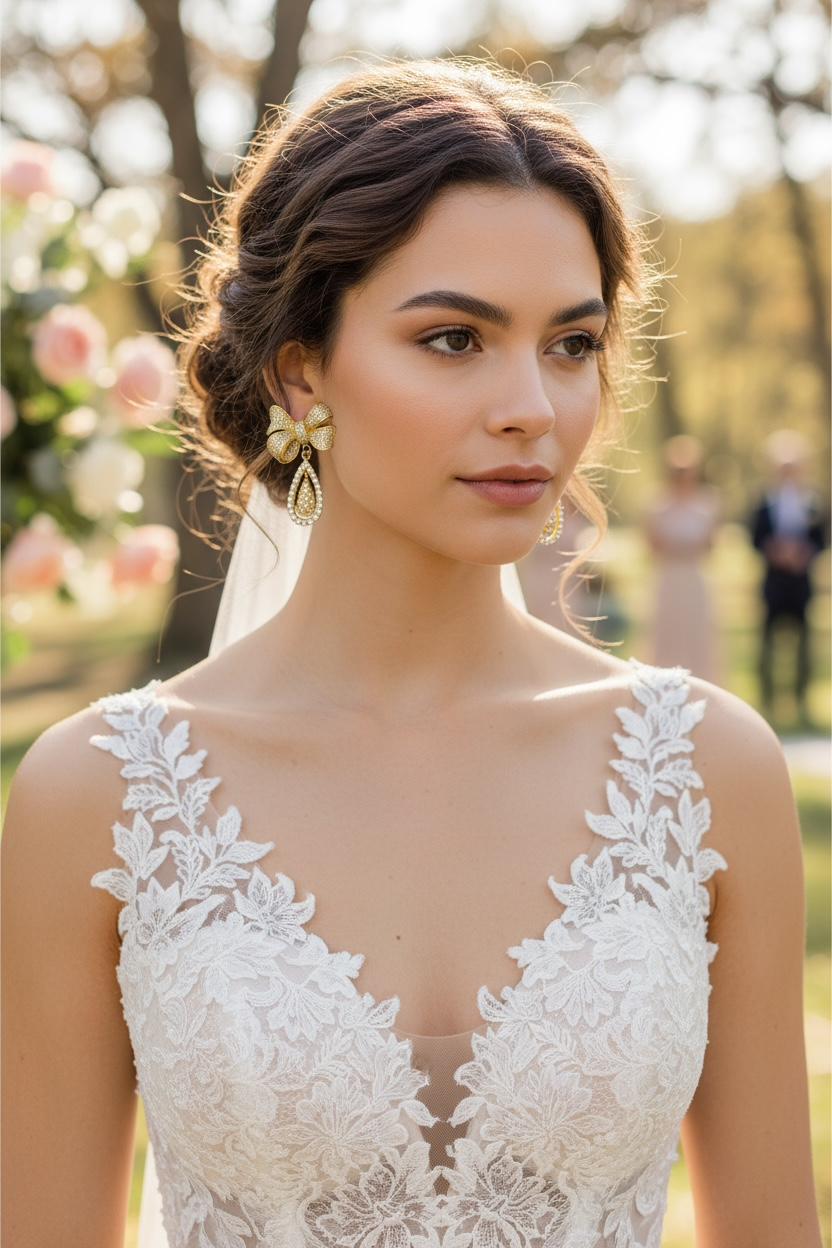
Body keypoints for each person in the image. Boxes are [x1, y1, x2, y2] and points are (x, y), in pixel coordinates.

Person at [2, 61, 820, 1248]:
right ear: (299, 369)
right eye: (453, 339)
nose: (531, 406)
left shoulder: (706, 775)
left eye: (571, 343)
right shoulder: (100, 798)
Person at [751, 429, 826, 724]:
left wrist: (802, 555)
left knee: (804, 645)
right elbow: (755, 538)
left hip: (801, 583)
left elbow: (822, 540)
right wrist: (776, 552)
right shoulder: (762, 502)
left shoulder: (814, 502)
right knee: (767, 643)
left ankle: (801, 700)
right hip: (772, 583)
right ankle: (767, 700)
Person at [644, 435, 721, 681]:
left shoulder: (707, 503)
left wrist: (683, 547)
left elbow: (710, 546)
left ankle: (699, 681)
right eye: (677, 471)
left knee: (697, 633)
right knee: (667, 633)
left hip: (693, 576)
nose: (682, 476)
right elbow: (652, 546)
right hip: (668, 576)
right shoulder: (657, 504)